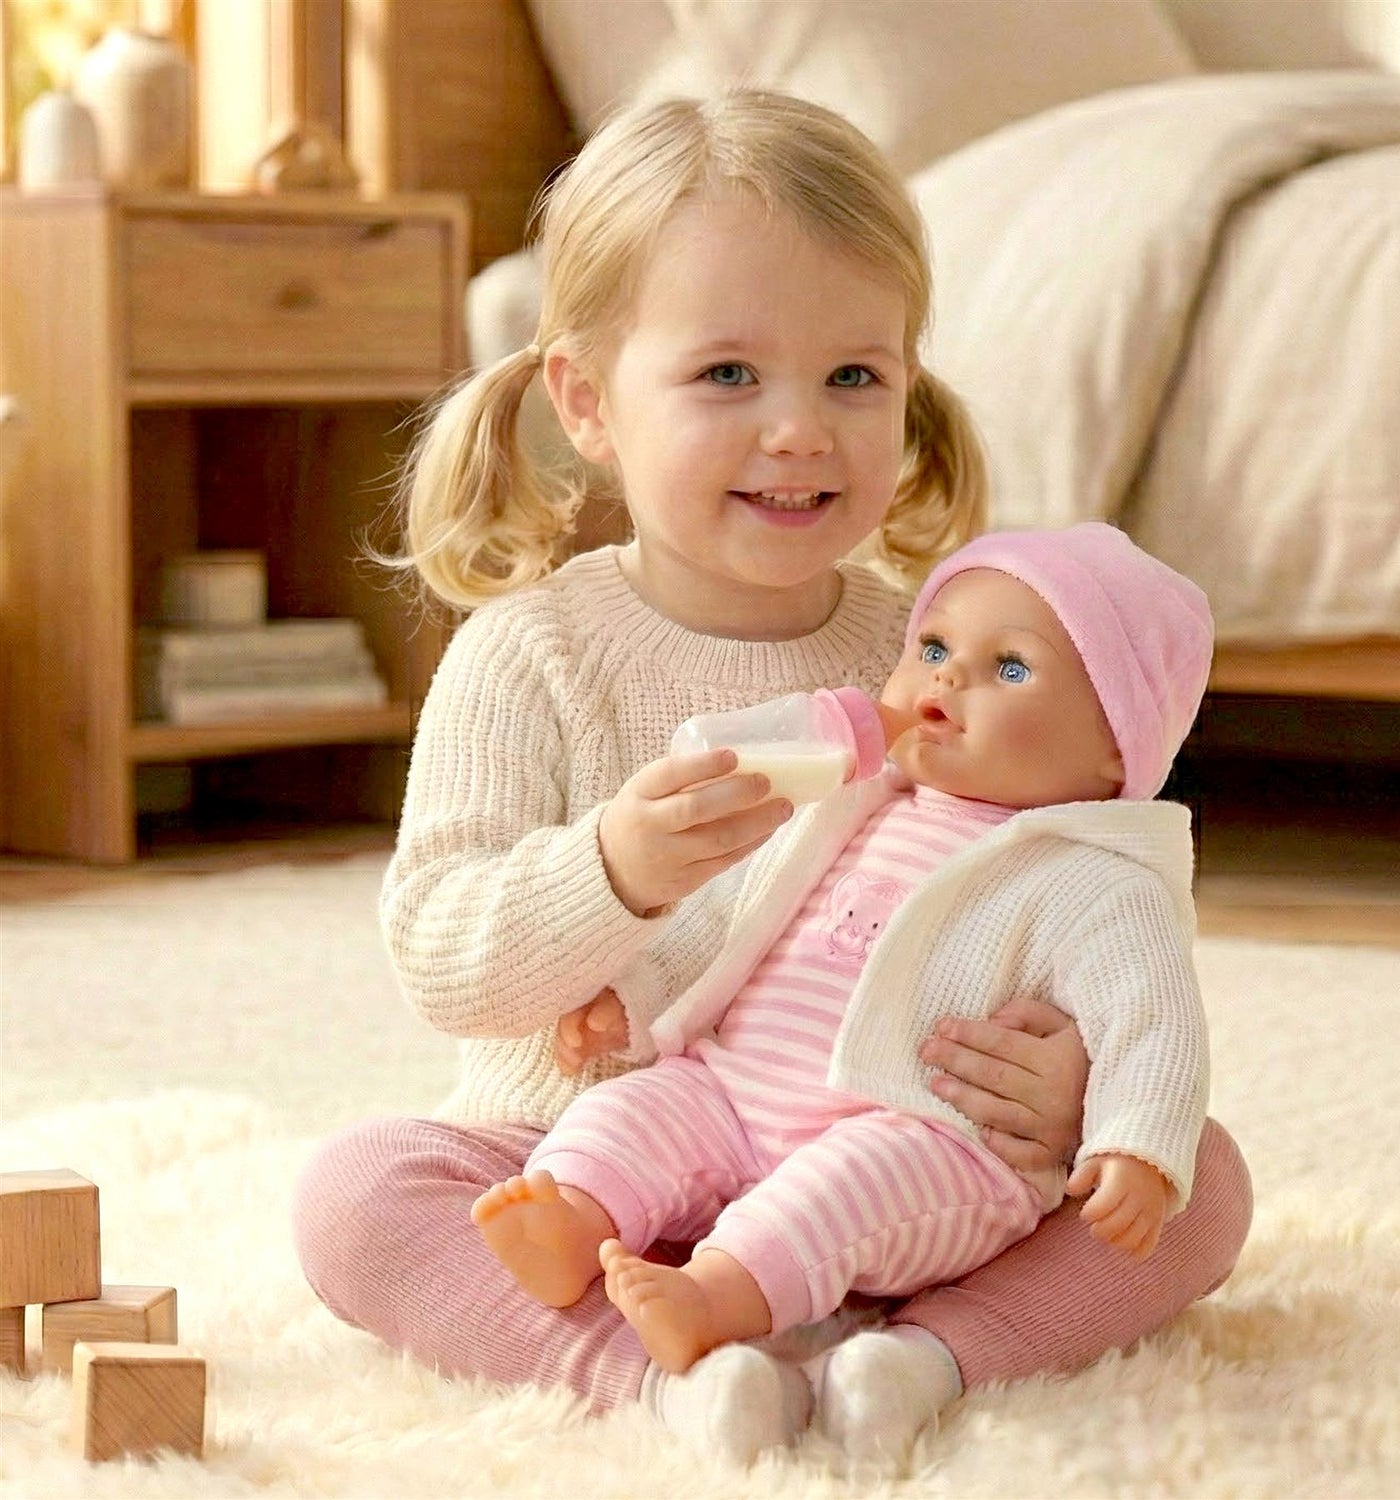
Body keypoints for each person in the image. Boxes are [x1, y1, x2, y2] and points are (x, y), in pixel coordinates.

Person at [291, 89, 1253, 1465]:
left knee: (1197, 1180)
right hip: (586, 1169)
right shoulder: (532, 653)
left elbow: (1065, 905)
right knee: (356, 1196)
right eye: (729, 375)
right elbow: (445, 963)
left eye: (853, 377)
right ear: (588, 401)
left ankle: (923, 1358)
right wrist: (615, 870)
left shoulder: (927, 658)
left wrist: (1071, 1090)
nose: (800, 429)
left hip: (878, 1178)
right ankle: (659, 1375)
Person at [472, 524, 1214, 1454]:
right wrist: (634, 993)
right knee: (635, 1108)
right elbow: (732, 916)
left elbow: (1155, 1022)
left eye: (1010, 668)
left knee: (850, 1186)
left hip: (922, 1132)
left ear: (1116, 748)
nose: (948, 678)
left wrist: (1135, 1143)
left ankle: (715, 1298)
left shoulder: (1097, 878)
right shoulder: (853, 801)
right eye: (933, 648)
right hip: (737, 1088)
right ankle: (575, 1216)